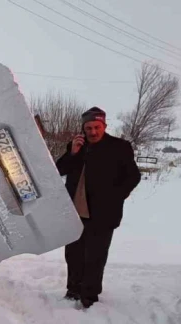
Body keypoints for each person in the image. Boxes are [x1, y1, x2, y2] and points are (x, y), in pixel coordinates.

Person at [55, 106, 141, 309]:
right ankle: (73, 290)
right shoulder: (77, 146)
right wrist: (73, 153)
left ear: (104, 126)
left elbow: (133, 176)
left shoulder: (119, 147)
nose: (93, 132)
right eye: (89, 128)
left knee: (94, 256)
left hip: (103, 215)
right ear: (83, 128)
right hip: (75, 212)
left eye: (97, 127)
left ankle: (89, 296)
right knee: (73, 254)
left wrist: (116, 197)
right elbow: (60, 169)